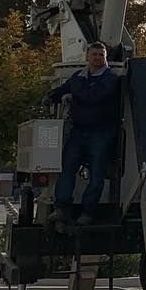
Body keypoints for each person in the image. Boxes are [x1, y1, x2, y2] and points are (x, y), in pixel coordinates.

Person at [45, 41, 121, 227]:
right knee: (67, 169)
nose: (98, 58)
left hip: (101, 133)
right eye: (94, 54)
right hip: (78, 131)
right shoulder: (78, 77)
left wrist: (72, 97)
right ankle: (61, 208)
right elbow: (64, 90)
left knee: (96, 174)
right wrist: (51, 96)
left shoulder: (110, 79)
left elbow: (94, 97)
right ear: (87, 56)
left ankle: (88, 212)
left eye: (101, 55)